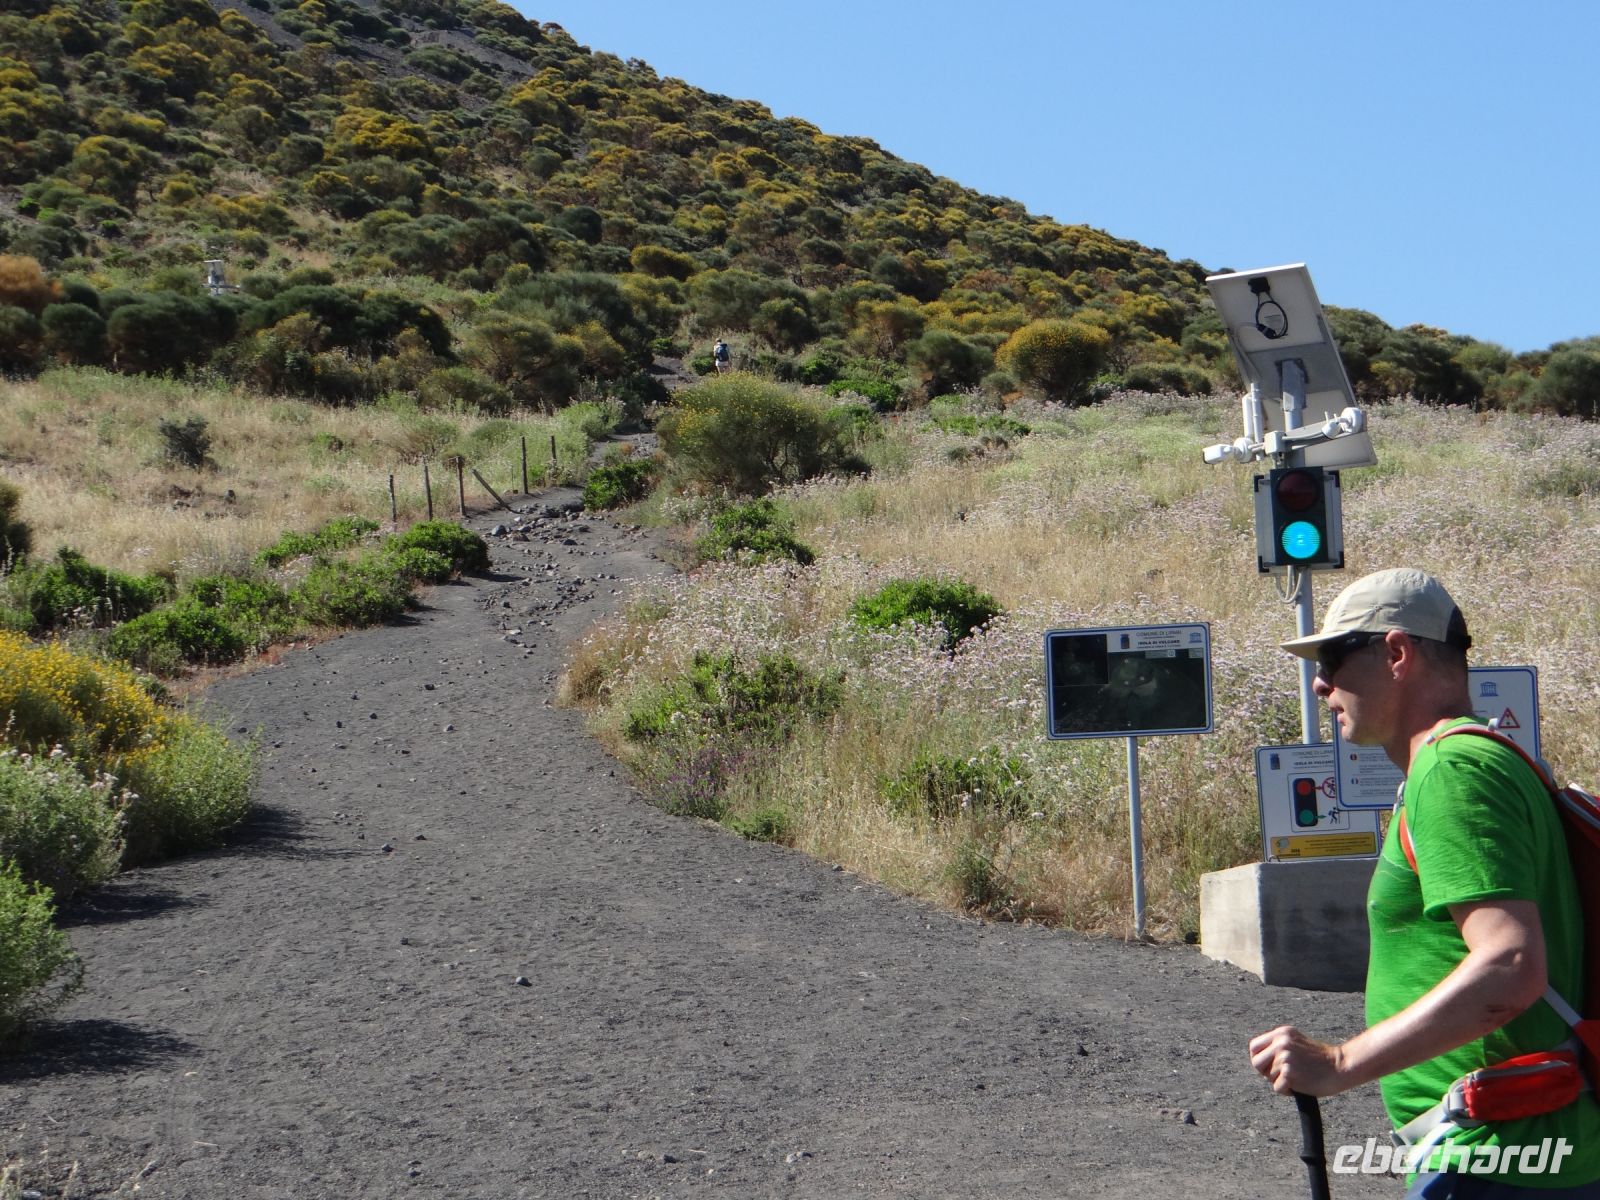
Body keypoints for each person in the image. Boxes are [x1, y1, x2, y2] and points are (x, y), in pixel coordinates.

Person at [1247, 568, 1600, 1197]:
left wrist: (1340, 1063)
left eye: (1332, 657)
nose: (1321, 682)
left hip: (1497, 1157)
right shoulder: (1489, 758)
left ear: (1396, 652)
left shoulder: (1451, 768)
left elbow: (1513, 963)